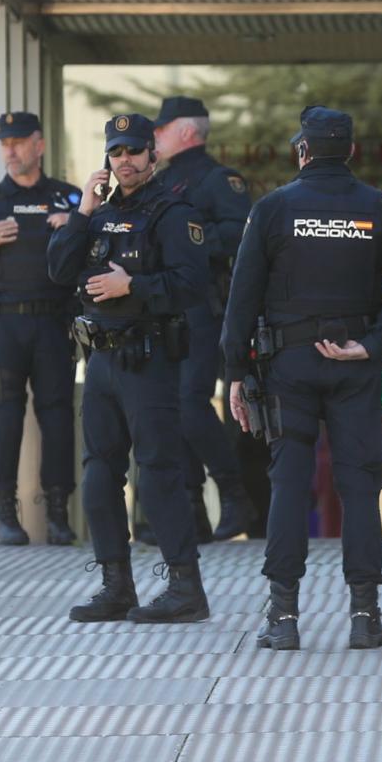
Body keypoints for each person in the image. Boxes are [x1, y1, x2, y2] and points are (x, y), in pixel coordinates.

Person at [223, 106, 382, 650]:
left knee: (289, 482)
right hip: (354, 365)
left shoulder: (272, 209)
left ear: (303, 151)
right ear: (351, 152)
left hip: (287, 366)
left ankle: (283, 619)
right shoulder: (380, 209)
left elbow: (240, 300)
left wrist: (235, 375)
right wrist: (373, 342)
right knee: (360, 486)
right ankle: (364, 617)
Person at [50, 114, 211, 624]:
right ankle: (116, 584)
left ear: (153, 154)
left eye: (134, 151)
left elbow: (192, 285)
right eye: (116, 152)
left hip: (148, 359)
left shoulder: (172, 211)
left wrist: (133, 287)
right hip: (100, 361)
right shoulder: (98, 213)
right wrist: (83, 210)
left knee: (159, 472)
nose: (125, 160)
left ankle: (186, 587)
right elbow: (58, 270)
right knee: (99, 473)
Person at [0, 112, 81, 546]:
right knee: (5, 415)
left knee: (58, 415)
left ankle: (59, 513)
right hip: (5, 324)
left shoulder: (67, 197)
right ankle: (4, 512)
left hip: (53, 323)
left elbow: (98, 249)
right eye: (5, 143)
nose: (10, 150)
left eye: (19, 142)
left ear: (39, 146)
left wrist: (76, 227)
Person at [151, 95, 256, 542]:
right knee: (169, 410)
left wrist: (185, 243)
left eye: (161, 128)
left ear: (186, 131)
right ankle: (190, 511)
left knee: (192, 406)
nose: (154, 136)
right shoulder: (160, 181)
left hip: (201, 306)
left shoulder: (217, 180)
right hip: (163, 309)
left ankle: (235, 496)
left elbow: (238, 235)